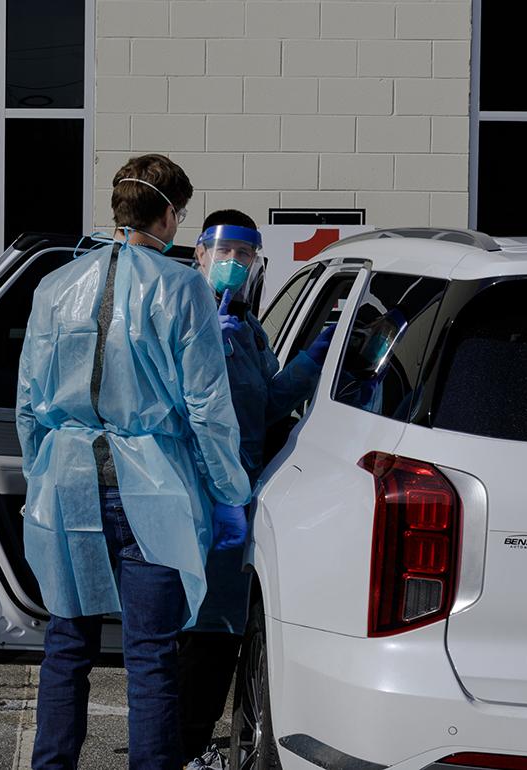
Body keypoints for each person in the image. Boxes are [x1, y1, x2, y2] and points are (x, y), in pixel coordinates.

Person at [17, 156, 253, 770]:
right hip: (152, 491)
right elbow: (206, 406)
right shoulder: (182, 288)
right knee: (151, 659)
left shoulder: (54, 287)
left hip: (66, 487)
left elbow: (27, 403)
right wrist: (229, 492)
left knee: (66, 647)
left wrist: (38, 475)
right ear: (170, 214)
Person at [179, 210, 336, 768]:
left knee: (217, 631)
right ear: (198, 254)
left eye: (244, 256)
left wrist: (318, 358)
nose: (233, 265)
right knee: (197, 633)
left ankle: (186, 744)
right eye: (223, 253)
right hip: (198, 492)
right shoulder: (187, 318)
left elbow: (264, 403)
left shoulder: (245, 327)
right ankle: (183, 748)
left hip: (234, 492)